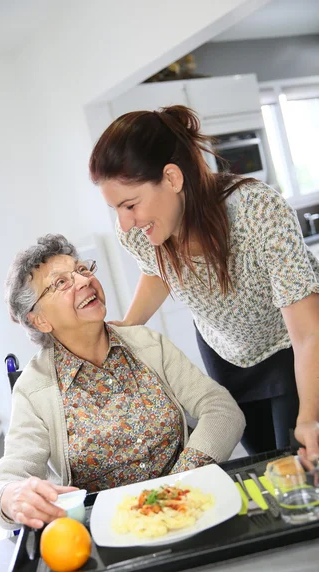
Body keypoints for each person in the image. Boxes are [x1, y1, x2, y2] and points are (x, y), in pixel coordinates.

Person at [89, 105, 319, 460]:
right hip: (224, 354)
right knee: (266, 464)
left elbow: (308, 333)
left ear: (171, 178)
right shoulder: (139, 233)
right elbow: (158, 270)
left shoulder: (257, 211)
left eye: (130, 204)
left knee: (299, 459)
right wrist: (129, 327)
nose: (125, 222)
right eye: (115, 208)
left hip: (290, 349)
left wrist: (310, 418)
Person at [0, 234, 245, 530]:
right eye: (61, 283)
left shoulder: (147, 344)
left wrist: (176, 486)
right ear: (40, 320)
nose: (84, 281)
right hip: (112, 530)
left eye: (82, 270)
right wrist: (10, 497)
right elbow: (6, 482)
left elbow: (222, 409)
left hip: (189, 506)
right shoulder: (34, 390)